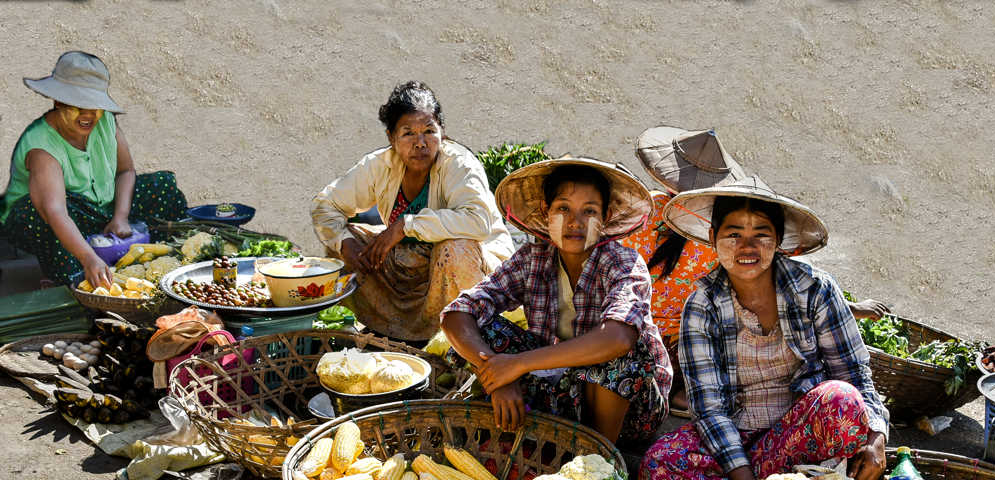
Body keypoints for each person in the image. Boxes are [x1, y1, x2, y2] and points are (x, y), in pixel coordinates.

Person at [639, 176, 889, 480]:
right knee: (659, 463)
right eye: (734, 234)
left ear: (778, 242)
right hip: (740, 441)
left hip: (805, 436)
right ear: (713, 238)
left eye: (761, 234)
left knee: (841, 399)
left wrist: (877, 438)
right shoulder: (703, 304)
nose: (747, 246)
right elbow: (710, 411)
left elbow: (853, 372)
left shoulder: (814, 289)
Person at [622, 126, 890, 416]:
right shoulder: (723, 241)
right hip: (676, 345)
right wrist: (852, 307)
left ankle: (682, 390)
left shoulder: (647, 210)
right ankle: (685, 391)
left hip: (631, 334)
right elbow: (780, 274)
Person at [441, 157, 671, 446]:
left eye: (589, 211)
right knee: (482, 330)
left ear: (606, 217)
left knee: (623, 354)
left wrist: (517, 364)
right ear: (545, 212)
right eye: (563, 208)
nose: (575, 222)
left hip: (629, 410)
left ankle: (600, 454)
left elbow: (619, 338)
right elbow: (458, 313)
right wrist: (499, 376)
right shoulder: (532, 258)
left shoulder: (622, 263)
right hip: (559, 388)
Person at [311, 81, 513, 342]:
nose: (420, 143)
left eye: (429, 131)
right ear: (391, 138)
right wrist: (344, 242)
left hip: (470, 270)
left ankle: (453, 341)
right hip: (409, 268)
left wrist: (406, 225)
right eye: (408, 133)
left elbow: (478, 222)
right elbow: (325, 205)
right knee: (343, 242)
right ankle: (385, 333)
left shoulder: (459, 164)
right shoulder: (379, 166)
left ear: (442, 132)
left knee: (455, 249)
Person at [1, 52, 188, 288]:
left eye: (94, 106)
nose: (88, 115)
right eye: (78, 106)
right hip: (52, 216)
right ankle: (73, 272)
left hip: (99, 209)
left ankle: (164, 262)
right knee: (43, 214)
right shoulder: (41, 146)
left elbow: (125, 171)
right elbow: (55, 210)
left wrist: (121, 216)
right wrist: (89, 257)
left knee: (162, 185)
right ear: (58, 102)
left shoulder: (106, 122)